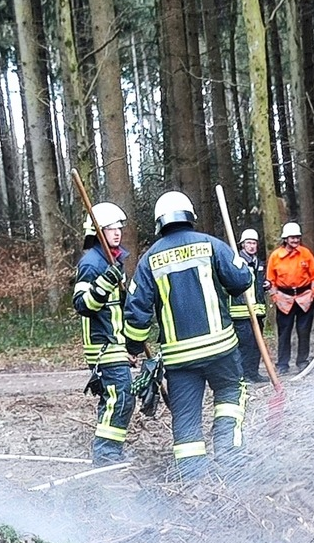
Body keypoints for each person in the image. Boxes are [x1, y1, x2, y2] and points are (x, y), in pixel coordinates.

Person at [123, 191, 254, 479]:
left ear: (159, 222)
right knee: (231, 394)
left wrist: (133, 344)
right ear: (190, 216)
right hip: (221, 349)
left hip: (180, 360)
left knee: (185, 419)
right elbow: (241, 281)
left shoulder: (149, 260)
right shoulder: (211, 245)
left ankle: (194, 481)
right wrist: (241, 267)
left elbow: (136, 312)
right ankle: (228, 450)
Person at [72, 202, 135, 465]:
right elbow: (82, 305)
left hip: (115, 344)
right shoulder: (91, 263)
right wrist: (105, 282)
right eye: (110, 228)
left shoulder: (113, 261)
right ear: (97, 231)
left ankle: (111, 451)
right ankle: (106, 453)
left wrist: (129, 345)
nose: (117, 232)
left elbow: (118, 308)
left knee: (117, 397)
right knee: (120, 397)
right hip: (102, 345)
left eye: (118, 227)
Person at [266, 222, 314, 376]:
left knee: (304, 331)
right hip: (284, 298)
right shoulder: (276, 256)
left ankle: (302, 361)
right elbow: (270, 280)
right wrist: (275, 296)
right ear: (285, 239)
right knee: (284, 333)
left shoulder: (305, 253)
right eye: (292, 237)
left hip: (305, 298)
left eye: (297, 237)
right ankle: (283, 364)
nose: (295, 240)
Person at [230, 228, 268, 383]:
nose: (251, 246)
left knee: (256, 344)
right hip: (242, 312)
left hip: (257, 311)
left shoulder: (258, 263)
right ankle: (244, 375)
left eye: (254, 243)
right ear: (242, 245)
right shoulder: (237, 262)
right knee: (245, 345)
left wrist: (265, 285)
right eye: (248, 243)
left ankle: (254, 373)